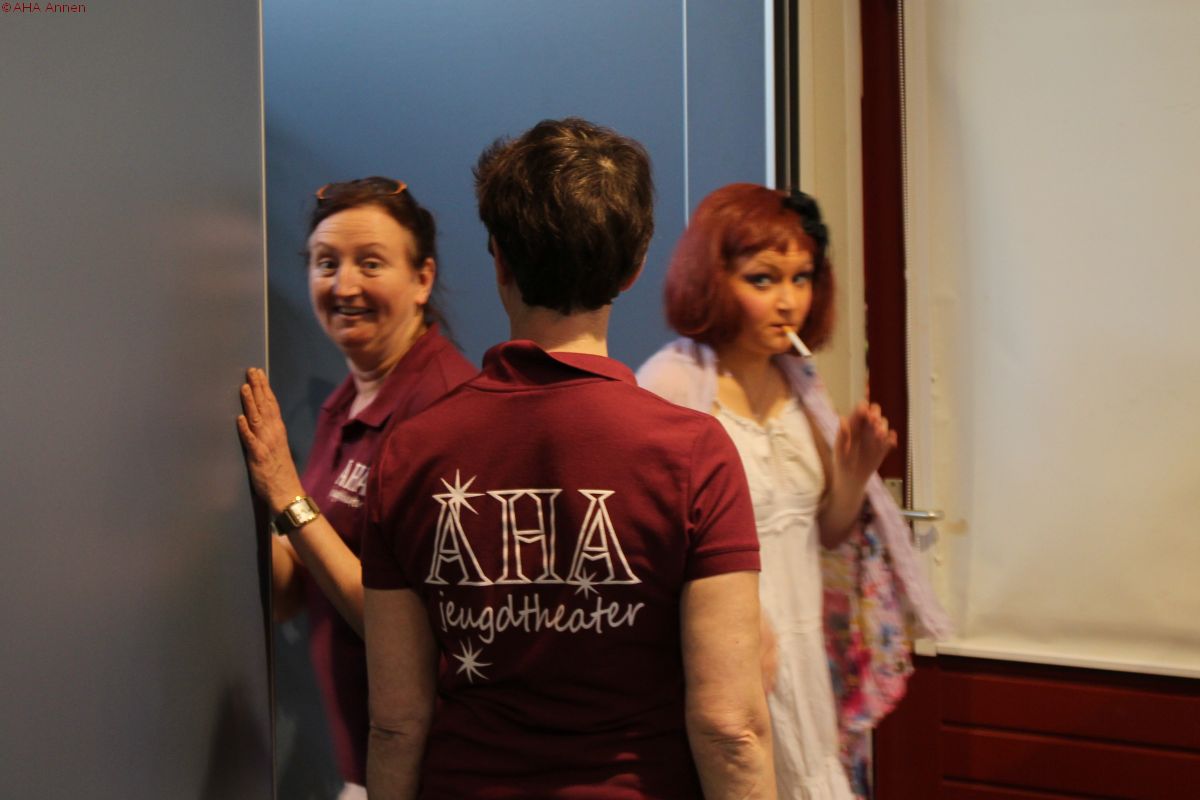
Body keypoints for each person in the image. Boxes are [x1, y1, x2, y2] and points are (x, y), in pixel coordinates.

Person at [361, 119, 776, 799]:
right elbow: (730, 726)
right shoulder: (694, 455)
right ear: (634, 267)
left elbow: (396, 724)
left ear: (499, 260)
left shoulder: (408, 453)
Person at [637, 184, 951, 798]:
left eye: (802, 278)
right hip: (727, 655)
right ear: (711, 279)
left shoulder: (801, 382)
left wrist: (854, 473)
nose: (789, 302)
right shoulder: (670, 384)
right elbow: (648, 547)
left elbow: (824, 533)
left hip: (806, 652)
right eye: (762, 280)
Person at [236, 177, 476, 799]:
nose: (344, 287)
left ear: (422, 278)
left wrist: (287, 495)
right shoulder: (345, 402)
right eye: (326, 263)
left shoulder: (444, 409)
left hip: (434, 774)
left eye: (370, 263)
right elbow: (292, 591)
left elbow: (409, 632)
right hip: (365, 769)